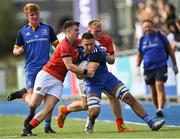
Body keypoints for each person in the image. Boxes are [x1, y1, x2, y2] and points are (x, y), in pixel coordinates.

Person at [76, 32, 165, 133]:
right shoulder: (77, 51)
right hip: (92, 83)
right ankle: (90, 121)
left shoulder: (97, 51)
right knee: (94, 111)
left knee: (129, 97)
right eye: (87, 45)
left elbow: (92, 71)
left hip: (106, 77)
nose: (90, 47)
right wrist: (76, 69)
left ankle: (151, 123)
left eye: (92, 44)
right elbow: (72, 65)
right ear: (82, 44)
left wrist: (105, 55)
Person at [57, 19, 133, 132]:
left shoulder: (106, 40)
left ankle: (120, 125)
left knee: (113, 96)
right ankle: (65, 110)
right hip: (85, 77)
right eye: (95, 32)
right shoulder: (80, 42)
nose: (98, 34)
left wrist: (104, 53)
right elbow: (73, 59)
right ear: (89, 31)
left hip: (101, 75)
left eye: (100, 31)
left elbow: (112, 60)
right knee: (85, 105)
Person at [21, 20, 95, 136]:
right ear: (68, 31)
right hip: (47, 75)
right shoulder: (64, 45)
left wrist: (100, 47)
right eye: (76, 30)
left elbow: (88, 41)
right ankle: (23, 94)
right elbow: (69, 66)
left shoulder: (75, 42)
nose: (78, 32)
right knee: (33, 104)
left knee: (49, 106)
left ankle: (28, 129)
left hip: (59, 80)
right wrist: (87, 72)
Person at [7, 3, 59, 133]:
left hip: (46, 69)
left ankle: (47, 126)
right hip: (31, 69)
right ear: (27, 16)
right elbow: (15, 48)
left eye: (36, 14)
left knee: (49, 98)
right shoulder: (23, 32)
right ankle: (23, 94)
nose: (35, 16)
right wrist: (17, 51)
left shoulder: (47, 29)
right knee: (33, 103)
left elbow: (57, 46)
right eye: (32, 14)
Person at [136, 19, 178, 117]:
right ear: (143, 28)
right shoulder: (142, 39)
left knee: (159, 85)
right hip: (148, 68)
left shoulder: (160, 36)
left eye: (149, 26)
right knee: (152, 91)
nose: (147, 28)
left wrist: (175, 65)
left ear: (153, 26)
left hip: (161, 66)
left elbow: (170, 50)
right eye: (145, 27)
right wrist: (137, 67)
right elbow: (139, 54)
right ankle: (157, 109)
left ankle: (160, 108)